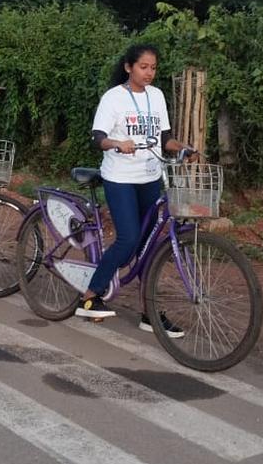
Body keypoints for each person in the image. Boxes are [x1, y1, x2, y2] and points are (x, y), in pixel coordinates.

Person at [81, 44, 194, 335]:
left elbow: (164, 139)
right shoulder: (114, 98)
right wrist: (117, 143)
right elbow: (97, 137)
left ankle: (149, 313)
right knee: (129, 238)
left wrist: (183, 148)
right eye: (143, 67)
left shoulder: (156, 96)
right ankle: (91, 295)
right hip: (120, 177)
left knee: (149, 247)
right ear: (129, 67)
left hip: (150, 177)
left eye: (153, 68)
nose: (149, 73)